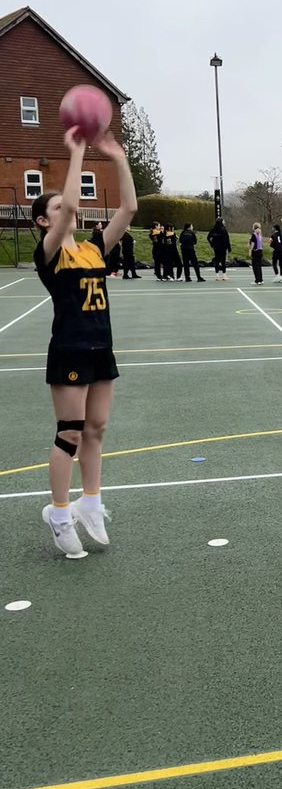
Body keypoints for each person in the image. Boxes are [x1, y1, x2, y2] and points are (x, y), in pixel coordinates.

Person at [31, 126, 138, 556]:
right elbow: (73, 203)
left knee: (97, 429)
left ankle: (90, 502)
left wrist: (117, 157)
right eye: (56, 207)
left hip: (100, 348)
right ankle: (58, 513)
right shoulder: (50, 251)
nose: (67, 210)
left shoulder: (94, 249)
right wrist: (76, 153)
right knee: (69, 435)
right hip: (70, 351)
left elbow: (129, 208)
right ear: (44, 221)